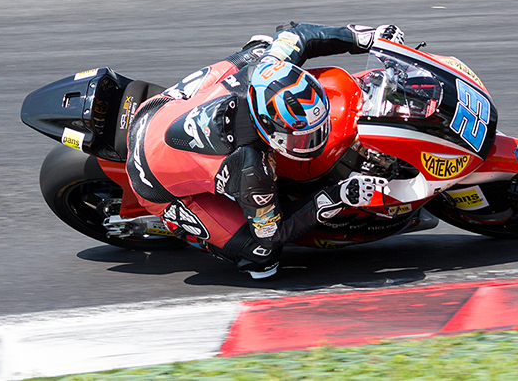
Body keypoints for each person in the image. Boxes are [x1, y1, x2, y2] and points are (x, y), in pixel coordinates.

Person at [125, 22, 405, 278]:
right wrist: (338, 196)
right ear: (268, 128)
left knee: (261, 49)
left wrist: (363, 39)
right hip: (150, 176)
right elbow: (273, 232)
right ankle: (181, 226)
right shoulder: (251, 170)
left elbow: (298, 35)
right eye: (302, 138)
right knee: (262, 256)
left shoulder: (268, 69)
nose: (314, 141)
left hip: (158, 109)